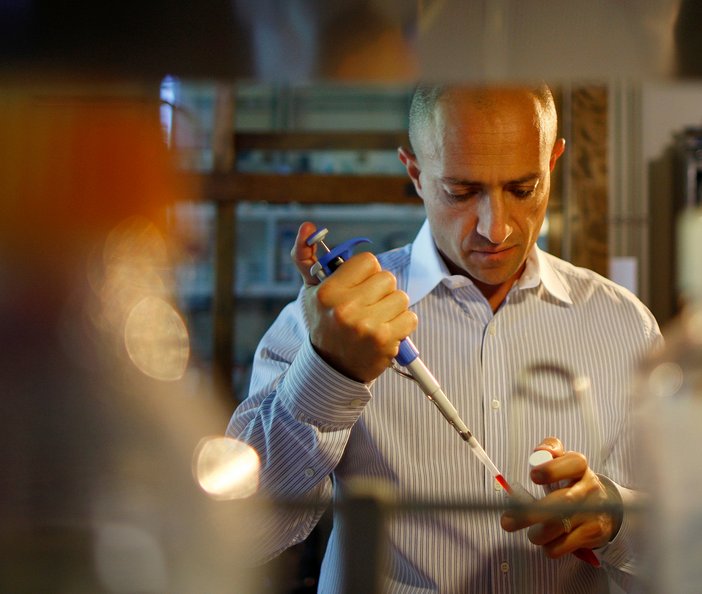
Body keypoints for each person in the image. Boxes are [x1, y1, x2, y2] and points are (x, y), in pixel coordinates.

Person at [227, 83, 661, 593]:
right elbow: (244, 529)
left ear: (554, 161)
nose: (495, 229)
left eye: (523, 189)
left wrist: (616, 517)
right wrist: (329, 371)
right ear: (415, 172)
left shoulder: (623, 324)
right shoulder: (326, 322)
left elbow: (688, 531)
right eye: (461, 192)